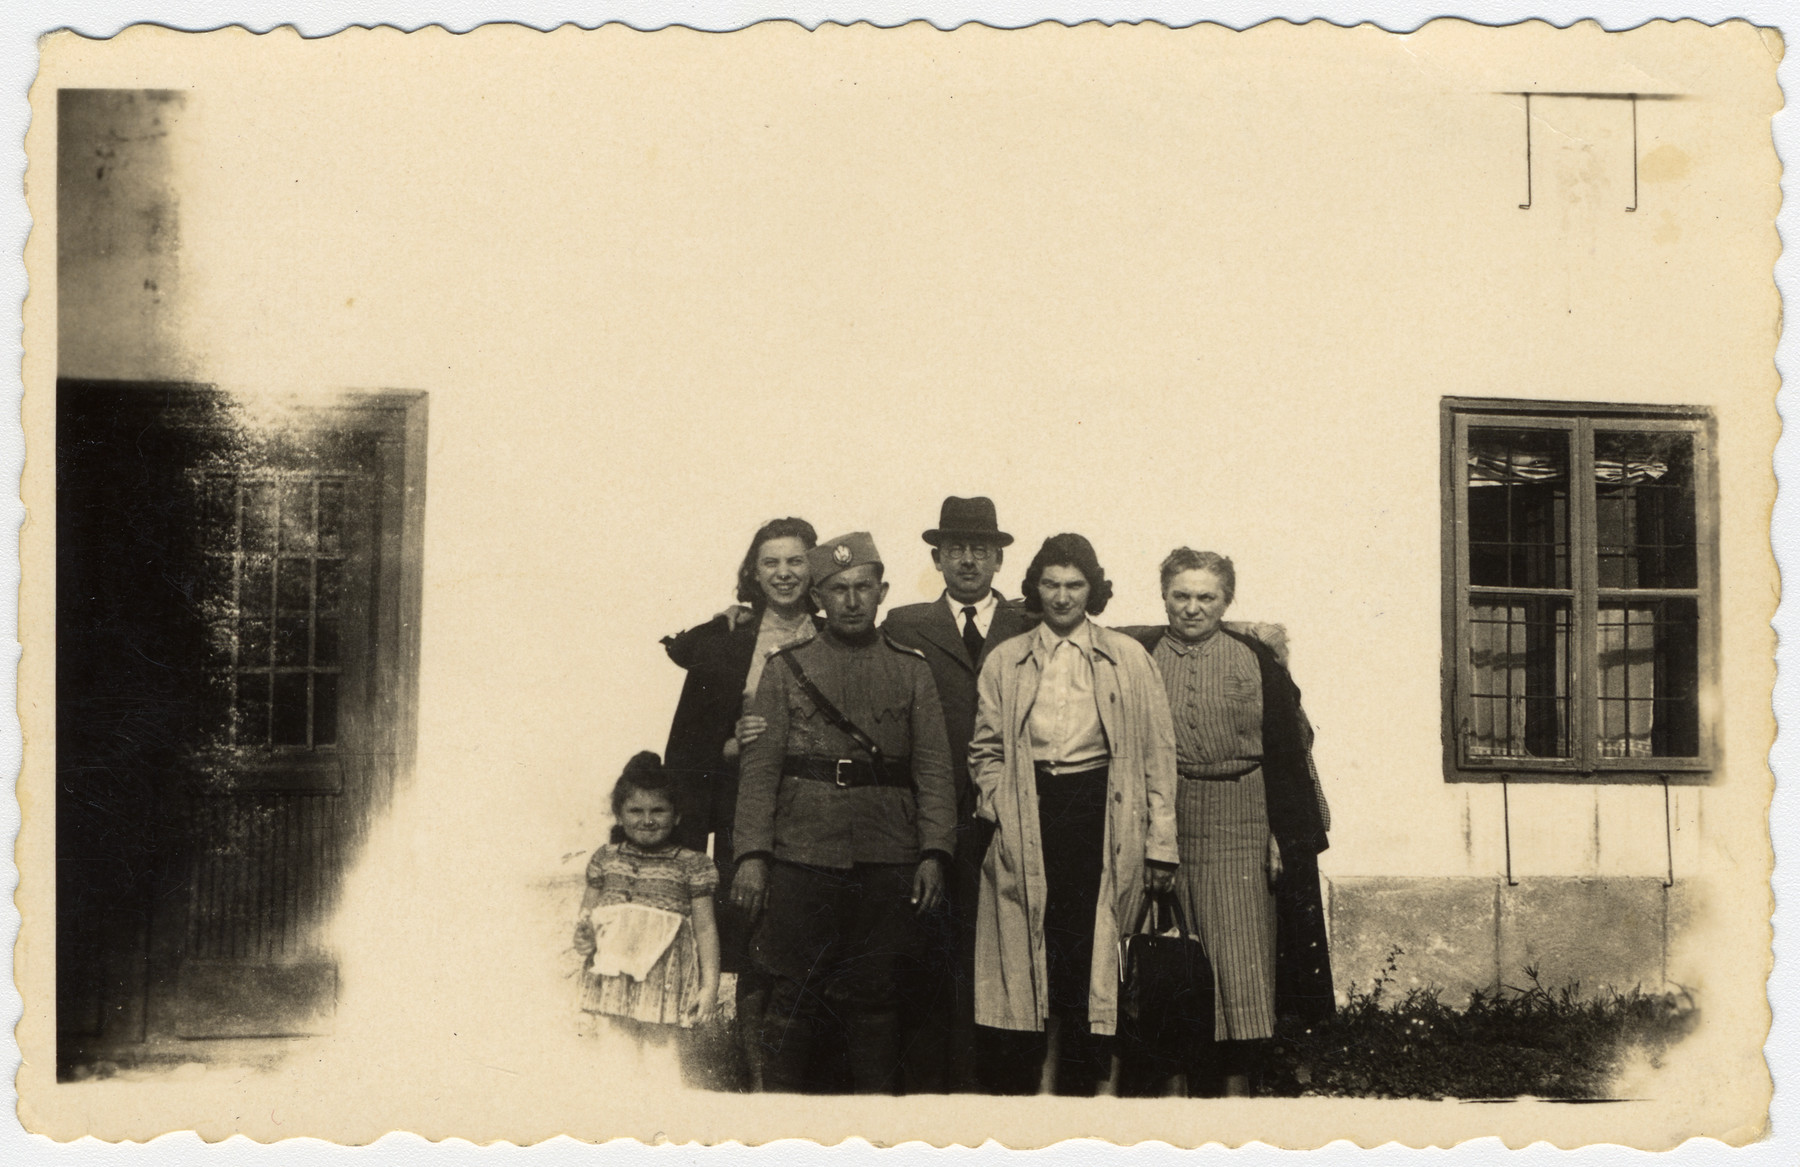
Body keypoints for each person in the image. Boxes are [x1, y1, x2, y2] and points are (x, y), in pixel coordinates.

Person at [732, 532, 958, 1094]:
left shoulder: (911, 669)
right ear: (819, 597)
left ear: (882, 592)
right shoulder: (786, 668)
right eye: (838, 590)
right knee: (793, 994)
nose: (852, 601)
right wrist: (753, 856)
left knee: (877, 996)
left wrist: (934, 853)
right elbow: (760, 774)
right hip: (802, 855)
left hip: (888, 856)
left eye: (863, 588)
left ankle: (872, 1129)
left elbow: (934, 770)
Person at [968, 533, 1179, 1095]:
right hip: (1033, 811)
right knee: (1043, 942)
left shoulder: (1127, 658)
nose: (1062, 598)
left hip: (1102, 811)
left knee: (1101, 946)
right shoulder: (1007, 660)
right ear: (1035, 588)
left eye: (1075, 585)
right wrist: (1001, 806)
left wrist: (1161, 842)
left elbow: (1159, 755)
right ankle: (1046, 1082)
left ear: (1094, 589)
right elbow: (985, 750)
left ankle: (1104, 1087)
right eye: (1051, 585)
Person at [1123, 548, 1334, 1097]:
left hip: (1243, 819)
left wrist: (1278, 832)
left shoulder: (1255, 659)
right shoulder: (1139, 656)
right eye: (1181, 596)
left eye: (1206, 597)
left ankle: (1237, 1103)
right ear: (1164, 596)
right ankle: (1173, 1101)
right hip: (1165, 818)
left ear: (1226, 602)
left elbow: (1287, 752)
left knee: (1240, 962)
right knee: (1170, 959)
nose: (1192, 609)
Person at [880, 496, 1037, 1092]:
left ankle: (1000, 1088)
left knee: (1006, 950)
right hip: (932, 817)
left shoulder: (1028, 623)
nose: (969, 561)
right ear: (937, 558)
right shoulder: (905, 624)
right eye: (956, 550)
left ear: (999, 559)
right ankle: (932, 1091)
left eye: (981, 550)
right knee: (934, 951)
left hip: (1009, 813)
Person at [660, 517, 821, 1088]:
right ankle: (753, 1079)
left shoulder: (833, 633)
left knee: (806, 944)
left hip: (814, 814)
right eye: (771, 562)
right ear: (753, 571)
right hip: (740, 812)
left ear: (815, 566)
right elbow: (687, 745)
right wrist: (729, 743)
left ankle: (802, 1078)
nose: (784, 574)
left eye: (796, 561)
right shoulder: (730, 642)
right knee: (751, 947)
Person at [573, 752, 722, 1074]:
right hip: (614, 972)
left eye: (658, 810)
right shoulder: (606, 858)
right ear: (619, 815)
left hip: (664, 977)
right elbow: (588, 914)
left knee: (661, 1056)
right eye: (635, 810)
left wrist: (709, 987)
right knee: (616, 1051)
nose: (647, 819)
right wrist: (584, 939)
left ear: (677, 815)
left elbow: (706, 929)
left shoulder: (692, 865)